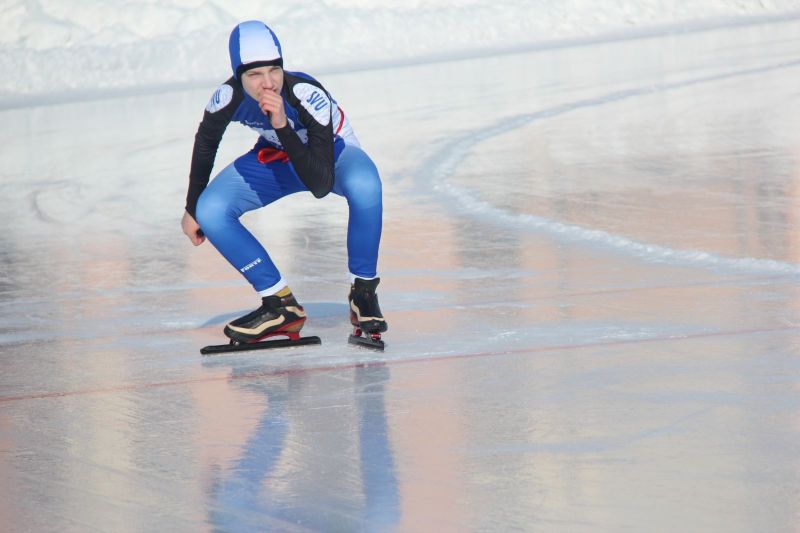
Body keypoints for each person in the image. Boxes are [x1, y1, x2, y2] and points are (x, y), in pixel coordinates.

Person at [181, 20, 387, 343]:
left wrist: (281, 125)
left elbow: (320, 184)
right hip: (277, 157)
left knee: (366, 183)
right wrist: (192, 206)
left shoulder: (306, 93)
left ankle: (363, 293)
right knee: (209, 209)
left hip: (331, 156)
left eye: (274, 70)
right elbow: (206, 141)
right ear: (238, 77)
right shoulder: (228, 96)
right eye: (254, 74)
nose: (268, 83)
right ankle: (279, 304)